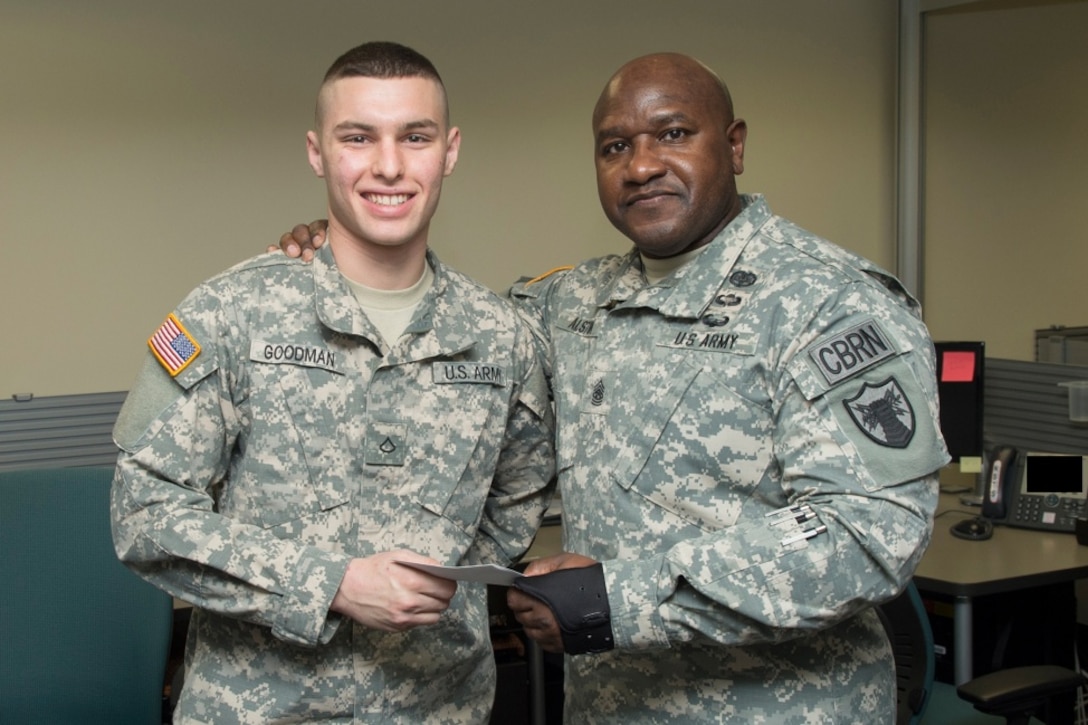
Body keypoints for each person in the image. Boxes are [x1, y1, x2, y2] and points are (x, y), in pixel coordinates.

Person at [279, 52, 948, 724]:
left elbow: (866, 531)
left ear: (735, 145)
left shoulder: (824, 303)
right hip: (611, 705)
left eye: (675, 134)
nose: (642, 165)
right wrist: (344, 250)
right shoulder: (574, 303)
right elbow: (449, 335)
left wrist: (611, 598)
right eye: (616, 146)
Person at [111, 41, 555, 724]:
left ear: (450, 150)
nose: (388, 165)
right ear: (318, 152)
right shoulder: (231, 314)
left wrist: (435, 591)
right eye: (358, 137)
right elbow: (144, 517)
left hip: (438, 705)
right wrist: (332, 582)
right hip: (261, 707)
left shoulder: (504, 337)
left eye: (415, 136)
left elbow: (512, 511)